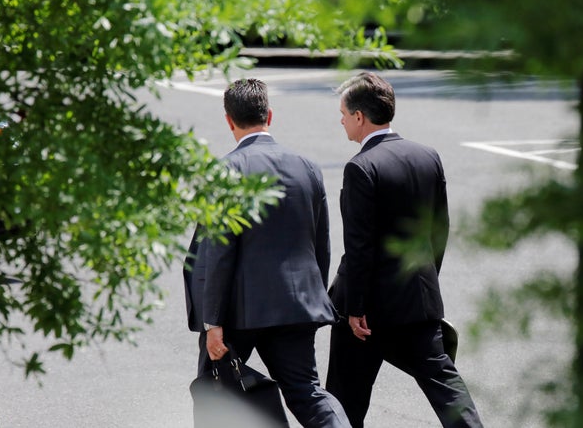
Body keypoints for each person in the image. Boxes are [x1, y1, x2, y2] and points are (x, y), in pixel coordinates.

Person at [183, 78, 351, 428]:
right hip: (296, 305)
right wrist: (312, 297)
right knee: (307, 392)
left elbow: (218, 253)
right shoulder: (307, 167)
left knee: (217, 395)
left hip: (237, 313)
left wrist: (212, 322)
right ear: (269, 115)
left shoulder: (225, 172)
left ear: (228, 120)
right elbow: (320, 243)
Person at [325, 72, 485, 428]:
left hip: (366, 316)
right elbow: (439, 230)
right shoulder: (427, 156)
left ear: (359, 117)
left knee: (344, 401)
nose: (341, 120)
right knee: (446, 386)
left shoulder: (361, 168)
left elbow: (360, 246)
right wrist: (424, 281)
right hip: (418, 300)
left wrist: (355, 307)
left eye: (343, 113)